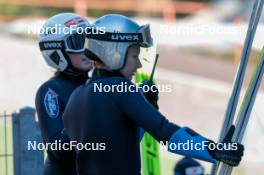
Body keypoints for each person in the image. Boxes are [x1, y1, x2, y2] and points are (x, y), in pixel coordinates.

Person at [62, 14, 244, 175]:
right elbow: (166, 133)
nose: (139, 65)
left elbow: (119, 143)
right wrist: (215, 150)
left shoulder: (77, 95)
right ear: (112, 53)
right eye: (134, 56)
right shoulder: (119, 88)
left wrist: (143, 107)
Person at [35, 13, 94, 175]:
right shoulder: (50, 91)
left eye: (90, 40)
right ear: (56, 51)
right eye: (78, 42)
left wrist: (143, 105)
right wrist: (90, 113)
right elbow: (59, 149)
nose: (87, 50)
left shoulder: (96, 86)